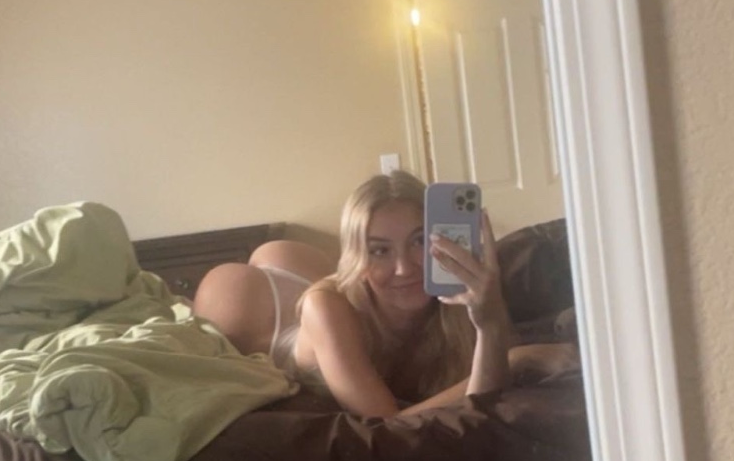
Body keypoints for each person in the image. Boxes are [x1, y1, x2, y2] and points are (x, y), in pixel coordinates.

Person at [193, 171, 574, 418]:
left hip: (329, 278)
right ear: (359, 254)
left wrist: (489, 316)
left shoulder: (454, 294)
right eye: (379, 249)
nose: (405, 268)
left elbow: (489, 373)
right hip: (266, 315)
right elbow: (386, 423)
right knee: (226, 308)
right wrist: (517, 359)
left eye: (419, 241)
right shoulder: (326, 307)